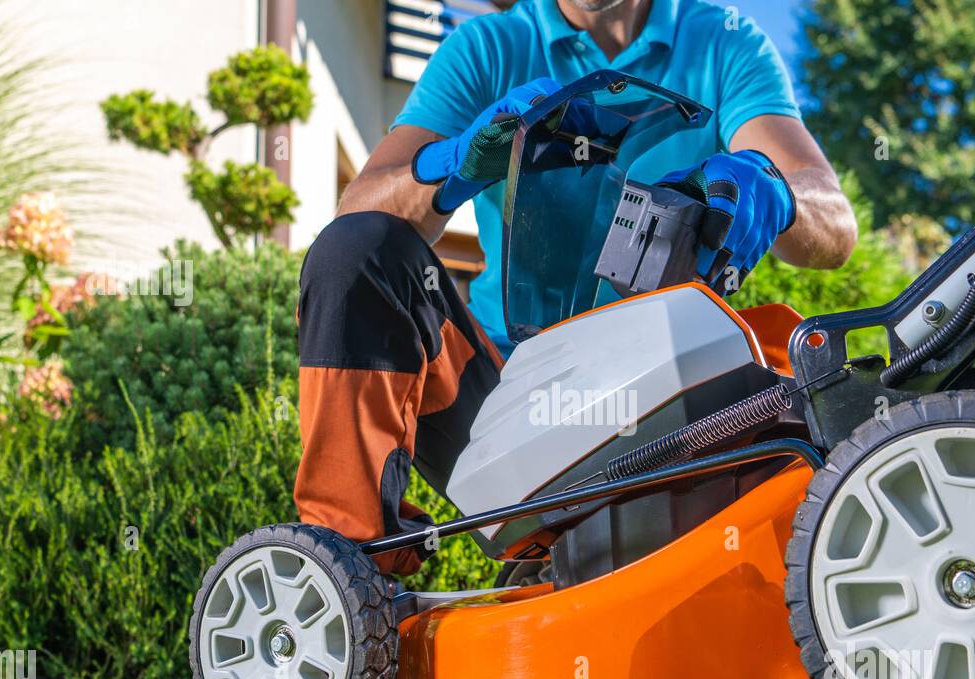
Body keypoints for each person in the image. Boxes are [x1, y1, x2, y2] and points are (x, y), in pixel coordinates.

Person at [295, 0, 857, 577]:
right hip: (498, 406)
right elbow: (356, 216)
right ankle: (344, 575)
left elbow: (835, 227)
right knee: (359, 250)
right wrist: (458, 160)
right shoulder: (487, 47)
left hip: (667, 398)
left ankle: (580, 563)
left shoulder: (724, 42)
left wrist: (776, 190)